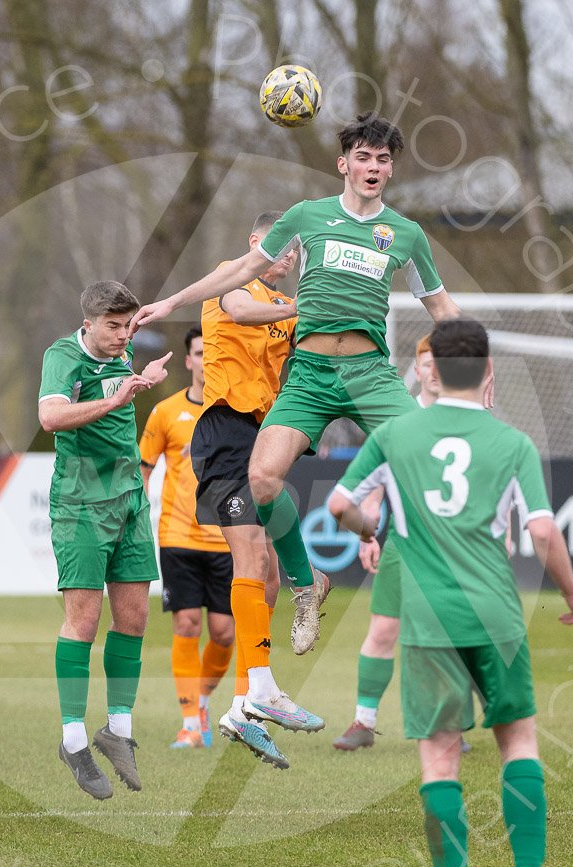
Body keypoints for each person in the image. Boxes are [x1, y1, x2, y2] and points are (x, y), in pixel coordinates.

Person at [133, 112, 459, 740]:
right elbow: (236, 275)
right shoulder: (307, 217)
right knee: (258, 481)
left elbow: (441, 306)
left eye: (383, 159)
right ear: (344, 163)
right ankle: (309, 586)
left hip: (368, 371)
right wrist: (172, 301)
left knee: (422, 457)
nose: (373, 167)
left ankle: (417, 558)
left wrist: (476, 361)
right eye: (363, 156)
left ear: (391, 169)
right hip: (308, 375)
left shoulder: (405, 234)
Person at [328, 319, 573, 867]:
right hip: (496, 613)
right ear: (489, 371)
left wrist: (370, 531)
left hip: (429, 617)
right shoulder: (513, 442)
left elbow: (339, 505)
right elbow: (543, 532)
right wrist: (572, 592)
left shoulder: (394, 435)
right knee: (518, 742)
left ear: (431, 370)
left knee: (439, 757)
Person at [38, 281, 171, 799]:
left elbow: (133, 349)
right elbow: (49, 417)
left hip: (130, 499)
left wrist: (144, 377)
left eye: (128, 325)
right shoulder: (62, 357)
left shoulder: (126, 346)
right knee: (85, 621)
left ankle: (118, 732)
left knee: (135, 618)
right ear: (88, 322)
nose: (123, 335)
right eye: (113, 326)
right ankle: (73, 739)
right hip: (80, 503)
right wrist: (118, 396)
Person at [190, 213, 305, 767]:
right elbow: (240, 310)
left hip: (261, 438)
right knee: (253, 557)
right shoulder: (230, 280)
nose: (290, 259)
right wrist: (297, 310)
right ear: (256, 242)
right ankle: (256, 694)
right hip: (224, 429)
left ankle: (245, 704)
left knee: (269, 574)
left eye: (297, 253)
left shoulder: (287, 316)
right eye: (282, 249)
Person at [333, 335, 474, 753]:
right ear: (418, 368)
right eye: (426, 362)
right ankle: (363, 722)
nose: (433, 370)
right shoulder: (399, 419)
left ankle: (451, 725)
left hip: (458, 547)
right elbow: (379, 475)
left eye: (440, 362)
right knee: (383, 629)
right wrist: (370, 533)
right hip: (406, 543)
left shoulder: (470, 417)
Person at [139, 326, 236, 750]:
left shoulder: (236, 411)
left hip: (227, 538)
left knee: (224, 633)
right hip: (177, 534)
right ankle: (190, 721)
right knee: (186, 623)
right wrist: (134, 515)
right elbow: (143, 467)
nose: (205, 359)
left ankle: (202, 701)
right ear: (189, 360)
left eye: (212, 353)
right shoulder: (165, 412)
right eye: (199, 352)